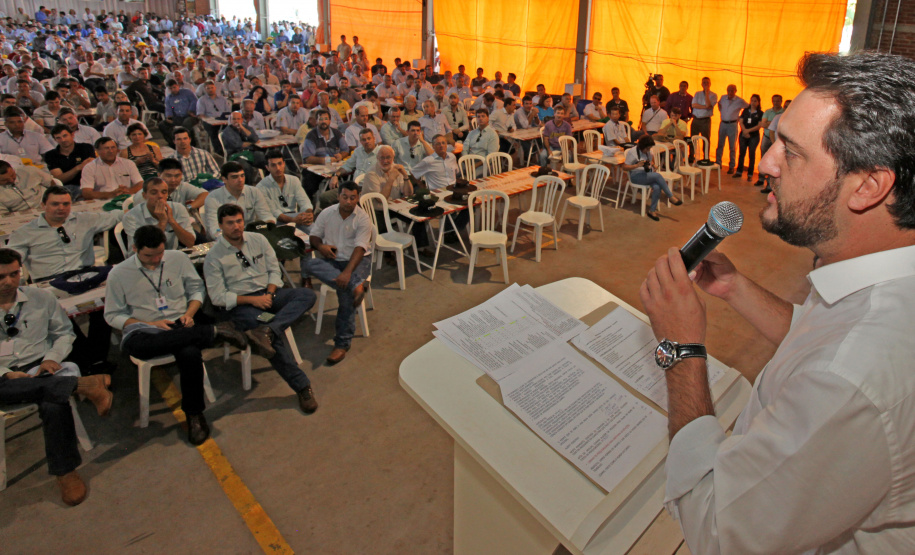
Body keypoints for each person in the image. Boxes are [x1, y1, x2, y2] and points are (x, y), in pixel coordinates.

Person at [640, 51, 915, 554]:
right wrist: (736, 288)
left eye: (790, 150)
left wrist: (681, 349)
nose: (766, 163)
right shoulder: (881, 288)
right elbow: (817, 337)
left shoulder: (854, 377)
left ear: (869, 186)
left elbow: (717, 531)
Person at [105, 225, 248, 445]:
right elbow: (113, 314)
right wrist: (148, 323)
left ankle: (194, 414)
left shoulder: (177, 259)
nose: (155, 260)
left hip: (180, 323)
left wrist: (190, 313)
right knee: (138, 347)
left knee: (189, 353)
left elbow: (196, 289)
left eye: (160, 254)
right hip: (144, 329)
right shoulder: (118, 273)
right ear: (134, 249)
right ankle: (214, 331)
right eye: (148, 256)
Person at [0, 248, 113, 506]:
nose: (9, 282)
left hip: (42, 365)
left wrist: (52, 358)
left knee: (53, 401)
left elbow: (64, 333)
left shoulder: (41, 298)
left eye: (14, 274)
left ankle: (65, 472)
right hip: (3, 375)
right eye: (1, 277)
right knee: (52, 391)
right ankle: (83, 384)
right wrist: (8, 373)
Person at [204, 204, 319, 413]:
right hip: (243, 305)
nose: (236, 227)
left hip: (269, 294)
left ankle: (267, 330)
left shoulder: (258, 240)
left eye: (239, 221)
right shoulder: (214, 256)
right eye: (230, 223)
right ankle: (302, 386)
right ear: (221, 226)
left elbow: (275, 270)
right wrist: (252, 301)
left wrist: (270, 292)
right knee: (270, 336)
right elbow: (218, 297)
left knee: (307, 295)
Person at [7, 185, 120, 372]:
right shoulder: (25, 232)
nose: (61, 208)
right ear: (43, 204)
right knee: (62, 323)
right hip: (51, 283)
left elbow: (118, 216)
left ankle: (96, 361)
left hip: (86, 277)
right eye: (55, 204)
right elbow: (11, 259)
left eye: (66, 204)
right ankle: (88, 362)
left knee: (107, 307)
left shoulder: (85, 219)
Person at [304, 181, 373, 365]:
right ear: (338, 196)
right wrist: (321, 246)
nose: (348, 202)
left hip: (358, 260)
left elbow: (360, 248)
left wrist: (347, 273)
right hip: (333, 259)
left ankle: (342, 343)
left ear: (358, 197)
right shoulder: (327, 213)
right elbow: (313, 236)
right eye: (345, 197)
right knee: (310, 265)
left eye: (353, 198)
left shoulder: (363, 218)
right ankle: (356, 286)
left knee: (345, 294)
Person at [203, 161, 274, 239]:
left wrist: (270, 225)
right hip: (225, 239)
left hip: (252, 236)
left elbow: (266, 216)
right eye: (235, 177)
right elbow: (215, 230)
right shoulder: (212, 198)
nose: (240, 180)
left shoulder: (254, 192)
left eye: (242, 176)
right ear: (224, 179)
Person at [123, 177, 195, 250]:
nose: (160, 196)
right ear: (144, 195)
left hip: (172, 255)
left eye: (164, 192)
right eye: (154, 193)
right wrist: (162, 222)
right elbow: (141, 251)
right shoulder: (131, 216)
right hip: (146, 259)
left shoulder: (178, 208)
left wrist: (172, 221)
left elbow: (190, 243)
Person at [621, 135, 681, 221]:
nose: (649, 150)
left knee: (657, 187)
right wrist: (636, 165)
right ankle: (670, 196)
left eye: (649, 148)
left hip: (647, 174)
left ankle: (652, 211)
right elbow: (624, 167)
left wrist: (653, 164)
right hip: (636, 176)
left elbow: (649, 160)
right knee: (658, 176)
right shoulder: (632, 152)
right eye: (647, 148)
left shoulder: (648, 151)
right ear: (642, 146)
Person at [44, 124, 95, 200]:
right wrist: (78, 167)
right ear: (54, 140)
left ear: (72, 134)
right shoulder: (50, 155)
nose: (63, 140)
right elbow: (59, 179)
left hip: (86, 186)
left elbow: (93, 171)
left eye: (65, 136)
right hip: (64, 189)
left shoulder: (86, 148)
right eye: (58, 138)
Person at [715, 84, 748, 173]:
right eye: (728, 90)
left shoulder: (739, 100)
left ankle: (732, 166)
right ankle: (718, 163)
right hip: (723, 123)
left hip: (732, 124)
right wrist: (722, 112)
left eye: (732, 91)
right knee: (720, 144)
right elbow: (719, 104)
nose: (730, 92)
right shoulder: (723, 97)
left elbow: (748, 107)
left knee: (732, 146)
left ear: (735, 91)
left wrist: (741, 117)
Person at [755, 94, 784, 188]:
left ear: (781, 101)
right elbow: (762, 124)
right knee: (763, 157)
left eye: (778, 101)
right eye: (774, 101)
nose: (776, 103)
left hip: (777, 140)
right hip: (766, 137)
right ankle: (761, 179)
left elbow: (778, 125)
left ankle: (770, 182)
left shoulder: (784, 112)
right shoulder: (768, 111)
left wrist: (768, 123)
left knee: (774, 160)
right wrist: (774, 123)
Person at [733, 94, 763, 181]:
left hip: (754, 136)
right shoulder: (745, 111)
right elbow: (741, 121)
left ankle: (750, 174)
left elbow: (759, 126)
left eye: (755, 101)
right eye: (752, 100)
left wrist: (748, 131)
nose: (753, 102)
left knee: (751, 154)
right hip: (743, 135)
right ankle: (739, 171)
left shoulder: (761, 113)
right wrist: (744, 130)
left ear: (758, 102)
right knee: (742, 153)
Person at [160, 79, 199, 146]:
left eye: (174, 87)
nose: (173, 90)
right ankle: (173, 142)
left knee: (186, 123)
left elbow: (194, 101)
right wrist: (169, 116)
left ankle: (190, 143)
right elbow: (169, 108)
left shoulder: (187, 92)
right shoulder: (169, 98)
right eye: (170, 89)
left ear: (178, 86)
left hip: (190, 116)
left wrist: (190, 110)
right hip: (178, 117)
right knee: (162, 124)